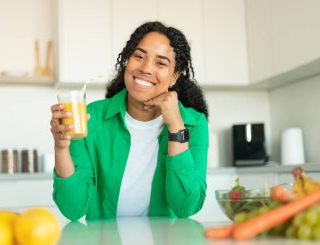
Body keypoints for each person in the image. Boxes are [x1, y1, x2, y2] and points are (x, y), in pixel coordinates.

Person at [50, 21, 209, 221]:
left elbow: (186, 207)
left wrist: (176, 126)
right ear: (127, 61)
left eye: (160, 63)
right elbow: (73, 209)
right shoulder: (90, 118)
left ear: (174, 77)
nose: (146, 68)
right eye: (139, 56)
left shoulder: (194, 123)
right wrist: (61, 147)